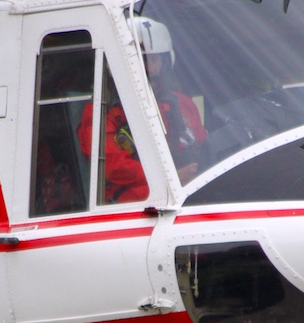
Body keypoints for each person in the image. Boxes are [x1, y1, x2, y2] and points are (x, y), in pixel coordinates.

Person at [76, 16, 207, 203]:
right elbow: (113, 166)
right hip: (134, 204)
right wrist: (171, 177)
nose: (151, 68)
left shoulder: (182, 103)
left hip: (189, 193)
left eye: (156, 60)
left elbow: (202, 146)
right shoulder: (100, 112)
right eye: (144, 60)